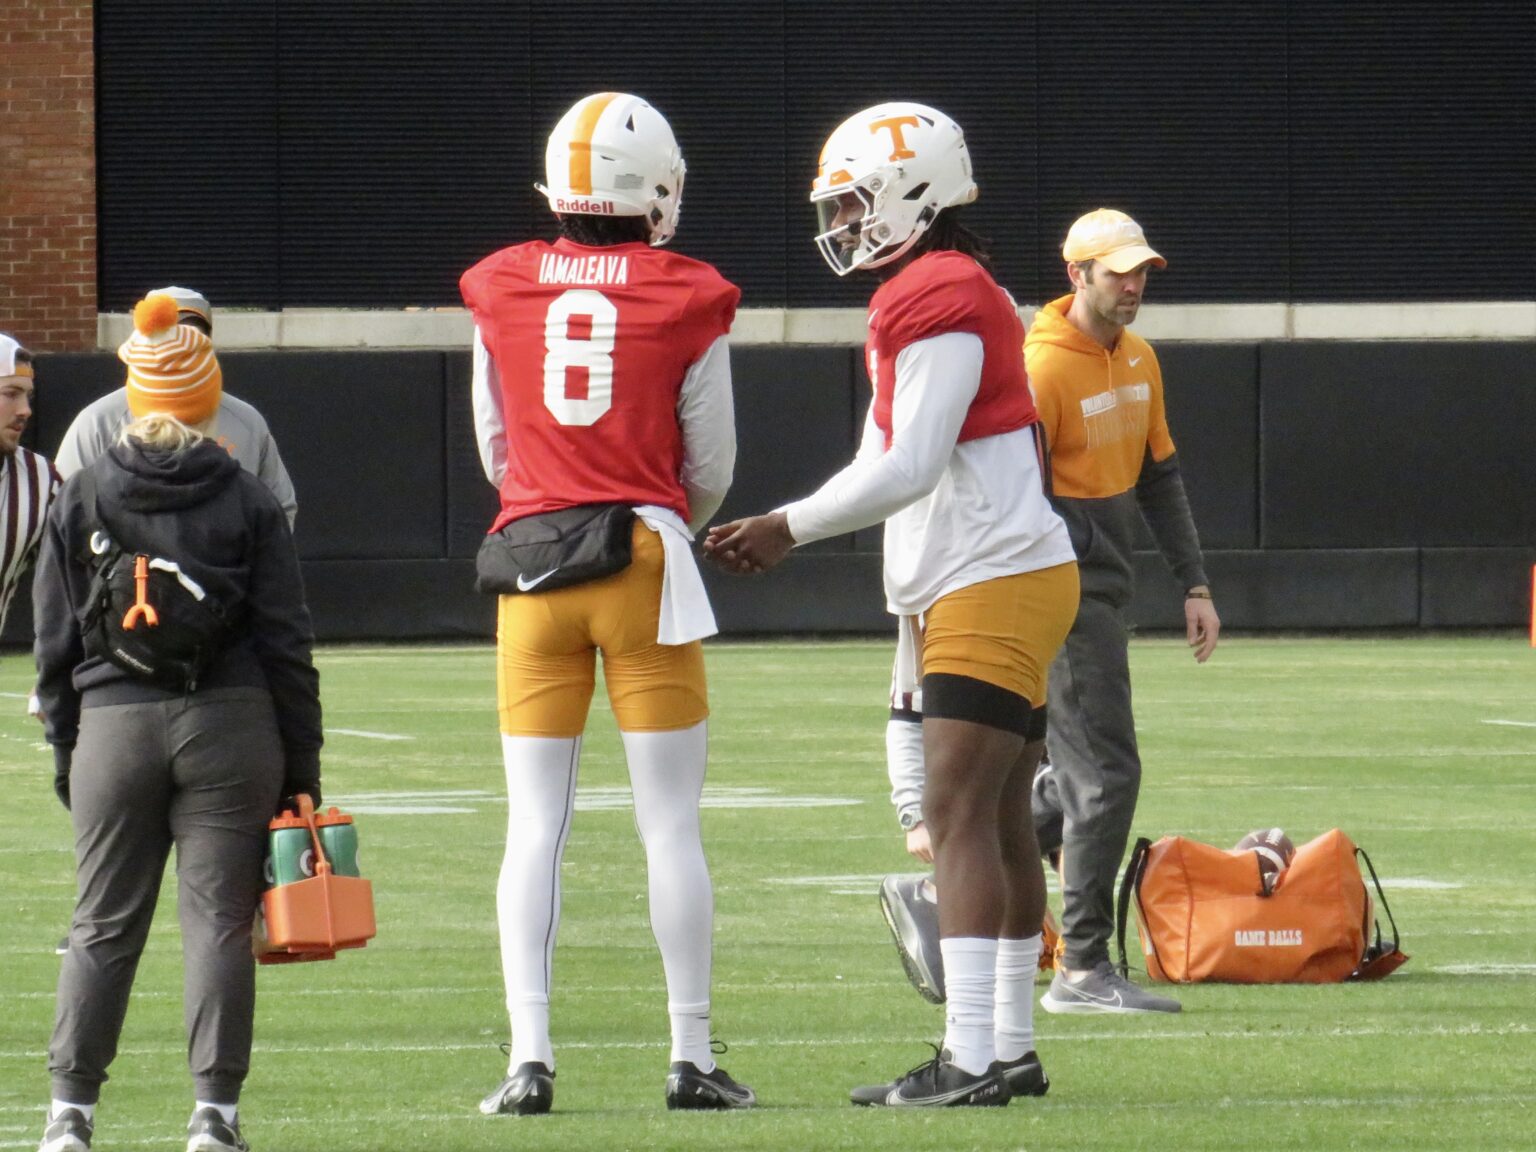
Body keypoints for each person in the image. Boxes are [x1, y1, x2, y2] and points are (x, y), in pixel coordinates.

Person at [706, 102, 1079, 1108]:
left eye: (861, 199)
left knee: (958, 813)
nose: (847, 220)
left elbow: (908, 465)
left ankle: (970, 1057)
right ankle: (1006, 1045)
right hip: (1003, 569)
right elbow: (893, 458)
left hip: (993, 576)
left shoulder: (941, 292)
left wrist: (787, 526)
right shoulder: (954, 287)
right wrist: (796, 519)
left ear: (918, 189)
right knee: (998, 816)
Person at [459, 91, 752, 1115]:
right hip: (642, 564)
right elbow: (711, 460)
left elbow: (497, 447)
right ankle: (690, 1056)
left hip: (532, 570)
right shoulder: (691, 292)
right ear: (654, 191)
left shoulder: (500, 285)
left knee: (533, 825)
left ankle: (528, 1061)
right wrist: (666, 512)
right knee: (670, 824)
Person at [32, 294, 323, 1152]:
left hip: (112, 726)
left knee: (101, 923)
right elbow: (287, 642)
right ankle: (213, 1118)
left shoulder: (82, 490)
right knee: (220, 921)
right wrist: (302, 763)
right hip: (233, 726)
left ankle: (69, 1118)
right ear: (207, 402)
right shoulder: (247, 497)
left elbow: (53, 642)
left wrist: (64, 743)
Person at [1026, 208, 1221, 1014]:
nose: (1134, 285)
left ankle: (1022, 807)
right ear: (1078, 275)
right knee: (1108, 769)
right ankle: (1081, 968)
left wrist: (1196, 583)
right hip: (1062, 592)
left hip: (1109, 589)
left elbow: (1160, 479)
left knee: (1082, 772)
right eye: (1118, 272)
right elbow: (1018, 494)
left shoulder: (1139, 358)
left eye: (1141, 271)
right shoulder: (1041, 368)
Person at [53, 286, 297, 527]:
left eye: (188, 334)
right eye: (167, 333)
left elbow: (279, 509)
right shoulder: (98, 421)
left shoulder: (246, 422)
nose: (177, 345)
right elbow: (62, 513)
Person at [0, 335, 60, 639]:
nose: (25, 410)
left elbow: (75, 586)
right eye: (11, 394)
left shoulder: (42, 480)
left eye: (28, 396)